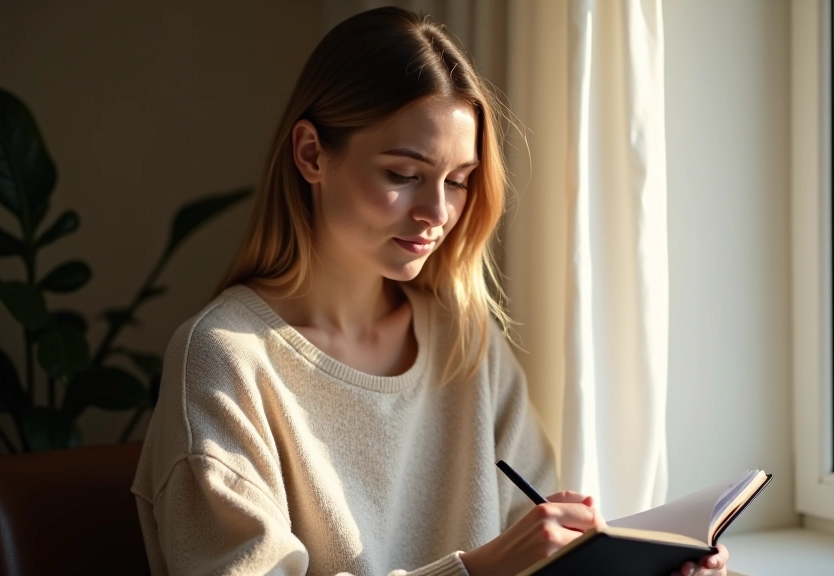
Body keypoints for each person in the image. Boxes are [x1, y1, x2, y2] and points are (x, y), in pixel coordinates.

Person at [131, 7, 729, 576]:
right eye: (404, 175)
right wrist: (479, 568)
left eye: (459, 180)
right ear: (311, 154)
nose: (437, 213)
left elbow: (543, 549)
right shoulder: (222, 359)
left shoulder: (464, 340)